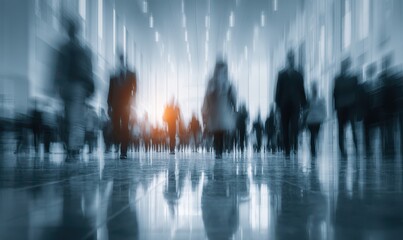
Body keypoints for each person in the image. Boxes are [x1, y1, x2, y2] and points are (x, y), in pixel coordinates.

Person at [54, 18, 94, 160]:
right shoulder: (84, 50)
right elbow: (89, 71)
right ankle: (74, 146)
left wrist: (56, 85)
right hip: (78, 87)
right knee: (75, 118)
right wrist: (90, 88)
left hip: (67, 86)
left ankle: (71, 146)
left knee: (69, 117)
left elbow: (58, 69)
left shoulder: (64, 48)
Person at [202, 60, 236, 159]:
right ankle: (218, 150)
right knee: (217, 132)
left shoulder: (226, 81)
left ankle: (219, 150)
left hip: (222, 110)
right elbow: (208, 95)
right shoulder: (214, 81)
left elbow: (232, 96)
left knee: (220, 132)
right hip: (216, 110)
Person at [275, 50, 307, 156]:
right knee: (284, 127)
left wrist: (304, 103)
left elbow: (302, 89)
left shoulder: (299, 74)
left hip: (295, 104)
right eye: (290, 58)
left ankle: (295, 145)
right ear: (288, 59)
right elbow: (278, 90)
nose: (291, 59)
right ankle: (287, 149)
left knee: (294, 126)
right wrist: (277, 104)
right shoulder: (281, 74)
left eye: (292, 57)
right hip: (284, 104)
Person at [107, 53, 137, 159]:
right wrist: (109, 105)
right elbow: (110, 91)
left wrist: (132, 102)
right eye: (120, 60)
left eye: (122, 60)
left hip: (126, 105)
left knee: (125, 127)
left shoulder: (132, 74)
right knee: (116, 127)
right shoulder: (113, 74)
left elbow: (135, 89)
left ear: (125, 61)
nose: (121, 62)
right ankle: (117, 142)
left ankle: (123, 151)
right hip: (115, 105)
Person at [333, 57, 358, 158]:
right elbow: (334, 93)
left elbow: (357, 93)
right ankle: (342, 149)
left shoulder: (352, 78)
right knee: (342, 129)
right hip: (342, 107)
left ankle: (353, 147)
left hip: (348, 106)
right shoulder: (341, 78)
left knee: (351, 127)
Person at [306, 82, 326, 158]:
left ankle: (313, 150)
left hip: (313, 120)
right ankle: (313, 150)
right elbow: (323, 109)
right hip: (313, 120)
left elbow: (323, 109)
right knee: (314, 135)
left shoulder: (311, 99)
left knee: (313, 135)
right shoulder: (317, 99)